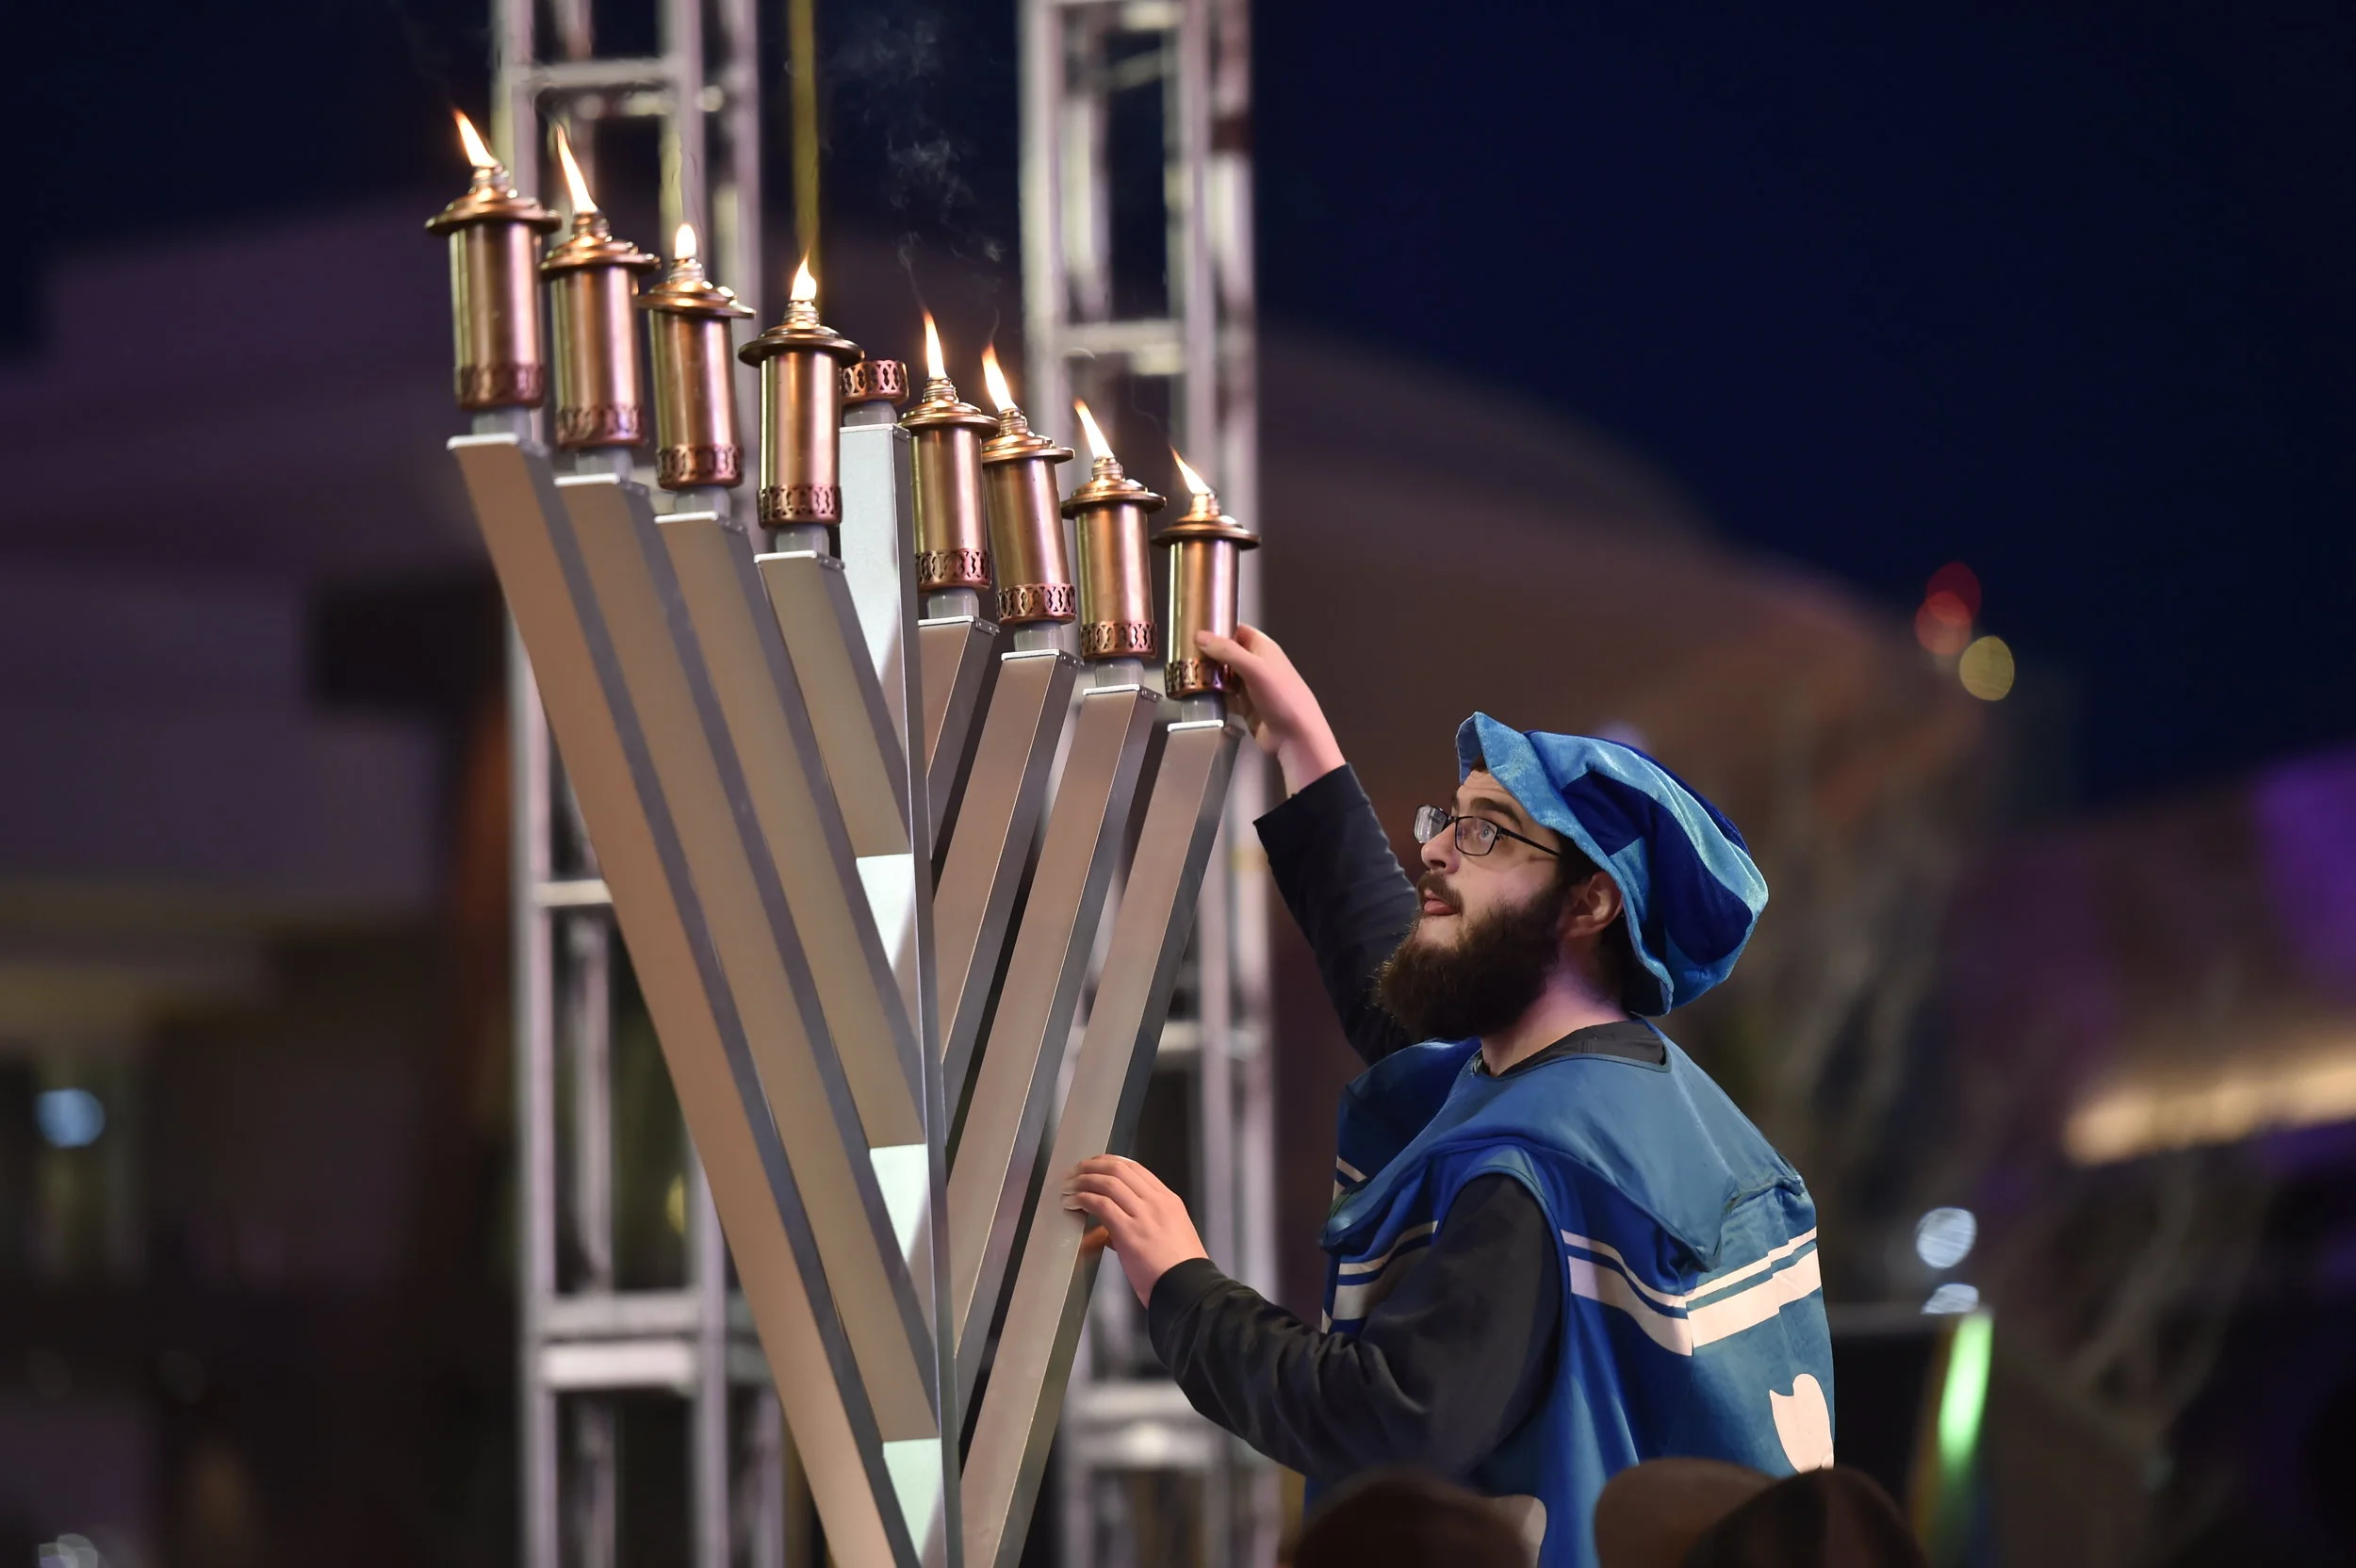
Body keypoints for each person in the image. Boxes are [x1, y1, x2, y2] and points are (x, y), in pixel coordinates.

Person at [1061, 624, 1836, 1568]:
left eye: (1486, 832)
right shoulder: (1629, 1102)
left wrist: (1183, 1283)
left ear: (1589, 902)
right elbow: (1395, 998)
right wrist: (1306, 749)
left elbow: (1385, 1421)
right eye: (1450, 819)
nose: (1433, 851)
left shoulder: (1534, 1167)